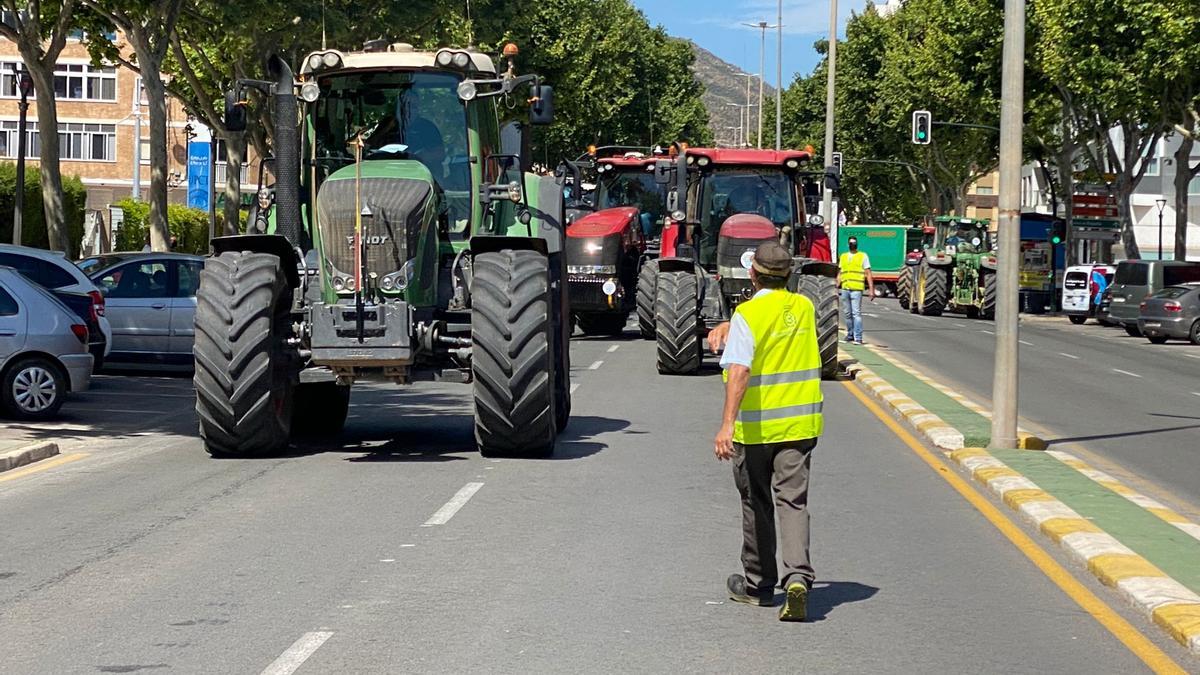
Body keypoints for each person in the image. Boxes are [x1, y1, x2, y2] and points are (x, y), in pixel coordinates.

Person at [708, 241, 824, 622]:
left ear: (753, 274)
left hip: (756, 431)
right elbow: (779, 329)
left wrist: (726, 424)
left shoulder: (748, 314)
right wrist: (733, 323)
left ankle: (759, 585)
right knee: (792, 503)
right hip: (799, 425)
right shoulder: (805, 308)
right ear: (789, 275)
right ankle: (797, 579)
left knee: (756, 502)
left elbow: (739, 370)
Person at [837, 236, 874, 344]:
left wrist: (871, 289)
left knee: (856, 314)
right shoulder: (843, 256)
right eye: (851, 243)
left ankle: (858, 337)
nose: (852, 244)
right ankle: (850, 335)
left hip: (856, 289)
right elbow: (840, 273)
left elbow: (868, 273)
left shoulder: (863, 256)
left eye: (854, 243)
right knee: (847, 313)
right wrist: (836, 285)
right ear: (848, 244)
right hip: (845, 288)